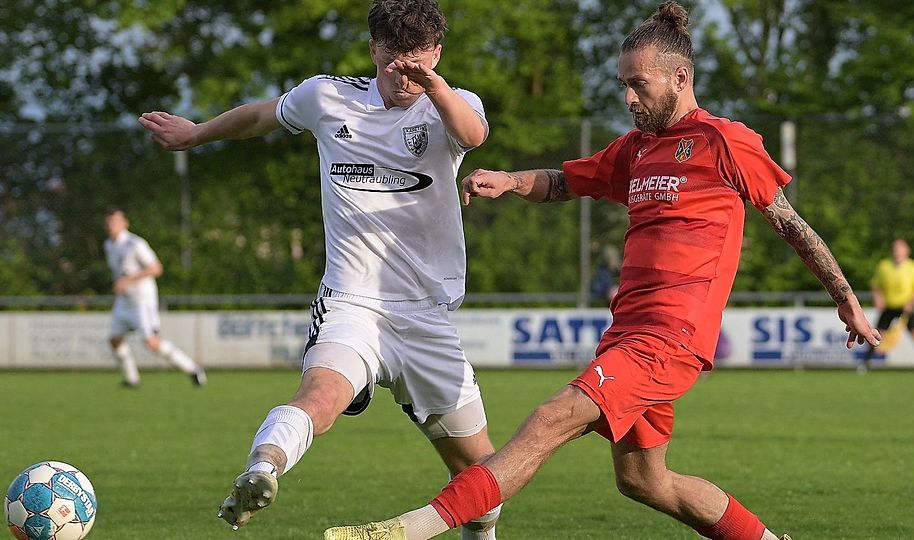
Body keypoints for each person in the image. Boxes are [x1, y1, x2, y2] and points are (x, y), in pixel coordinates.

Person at [324, 3, 880, 540]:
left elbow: (791, 224)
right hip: (628, 333)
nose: (628, 97)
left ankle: (407, 530)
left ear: (680, 76)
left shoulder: (725, 142)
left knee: (549, 420)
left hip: (670, 339)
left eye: (639, 84)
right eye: (623, 84)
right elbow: (568, 181)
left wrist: (845, 297)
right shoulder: (637, 149)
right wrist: (513, 181)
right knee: (644, 480)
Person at [138, 1, 503, 538]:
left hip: (425, 315)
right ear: (373, 49)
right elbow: (262, 114)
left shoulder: (451, 104)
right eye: (393, 62)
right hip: (351, 303)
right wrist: (196, 134)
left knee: (483, 477)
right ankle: (263, 467)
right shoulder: (327, 96)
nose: (404, 78)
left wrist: (434, 86)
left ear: (437, 54)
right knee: (320, 397)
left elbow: (472, 136)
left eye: (418, 62)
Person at [103, 207, 207, 388]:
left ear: (125, 223)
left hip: (142, 301)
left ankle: (193, 369)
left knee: (151, 343)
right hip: (124, 301)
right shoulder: (109, 245)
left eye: (115, 221)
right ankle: (131, 379)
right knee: (114, 339)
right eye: (108, 221)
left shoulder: (135, 244)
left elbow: (156, 268)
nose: (111, 225)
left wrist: (128, 280)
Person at [860, 238, 914, 371]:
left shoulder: (913, 267)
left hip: (906, 308)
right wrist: (878, 299)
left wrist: (912, 303)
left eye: (900, 249)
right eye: (895, 248)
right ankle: (865, 364)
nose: (897, 251)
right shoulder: (884, 266)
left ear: (907, 251)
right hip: (889, 308)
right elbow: (876, 286)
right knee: (876, 334)